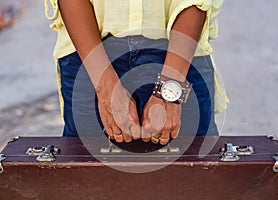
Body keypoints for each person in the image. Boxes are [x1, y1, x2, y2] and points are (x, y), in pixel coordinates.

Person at [45, 0, 229, 145]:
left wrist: (170, 87)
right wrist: (106, 87)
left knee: (197, 181)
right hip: (89, 49)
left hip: (181, 50)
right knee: (83, 182)